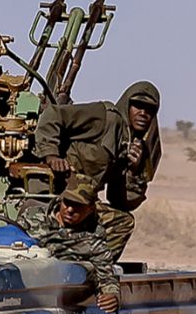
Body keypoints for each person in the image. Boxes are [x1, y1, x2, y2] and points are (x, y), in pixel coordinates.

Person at [30, 80, 162, 258]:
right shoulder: (105, 118)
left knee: (122, 222)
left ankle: (91, 267)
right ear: (127, 105)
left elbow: (121, 203)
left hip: (83, 206)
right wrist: (51, 154)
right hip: (55, 196)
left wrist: (133, 171)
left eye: (149, 109)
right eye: (138, 106)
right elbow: (53, 115)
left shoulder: (136, 147)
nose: (143, 113)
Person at [15, 180, 122, 312]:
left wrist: (112, 296)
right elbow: (11, 241)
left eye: (78, 206)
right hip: (19, 285)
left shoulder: (93, 238)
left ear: (90, 209)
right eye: (67, 203)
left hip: (57, 295)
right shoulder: (32, 216)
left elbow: (106, 276)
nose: (70, 210)